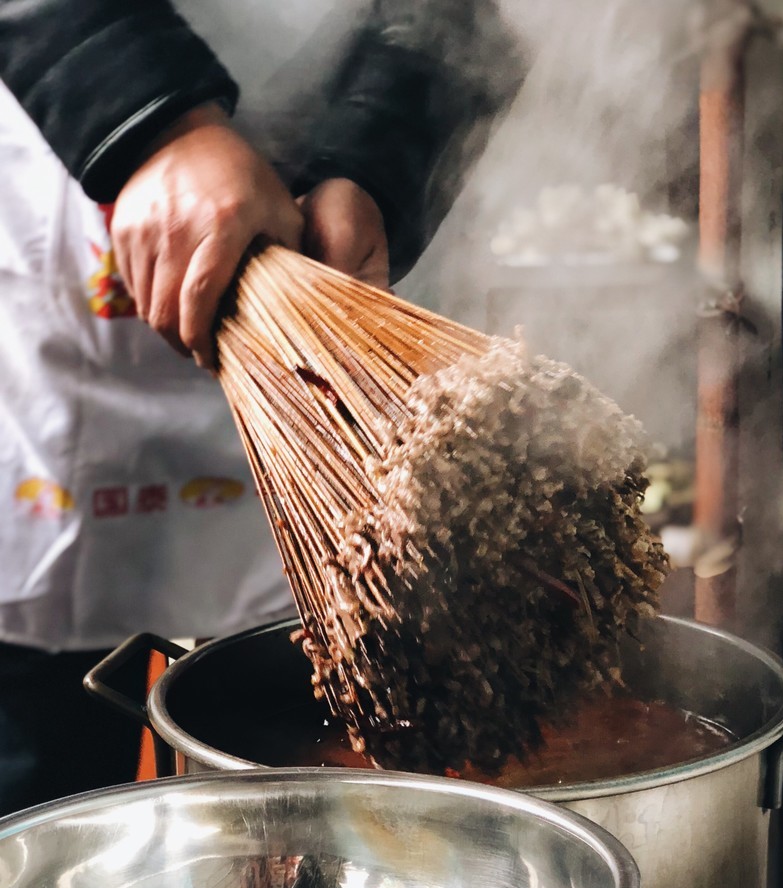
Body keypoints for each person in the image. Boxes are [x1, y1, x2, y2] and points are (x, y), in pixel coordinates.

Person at [0, 0, 525, 815]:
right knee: (22, 851)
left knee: (314, 851)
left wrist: (377, 155)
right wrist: (148, 121)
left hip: (337, 273)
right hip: (58, 219)